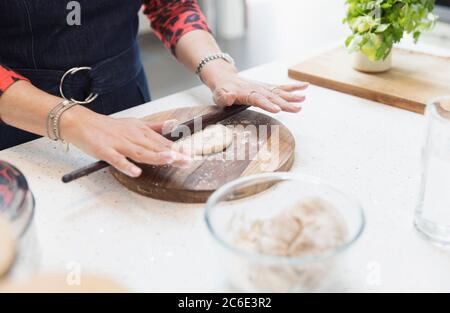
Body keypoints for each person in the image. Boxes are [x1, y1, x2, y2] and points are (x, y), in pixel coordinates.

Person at [0, 0, 308, 177]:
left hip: (126, 96)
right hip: (22, 121)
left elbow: (170, 6)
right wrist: (75, 121)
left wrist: (219, 70)